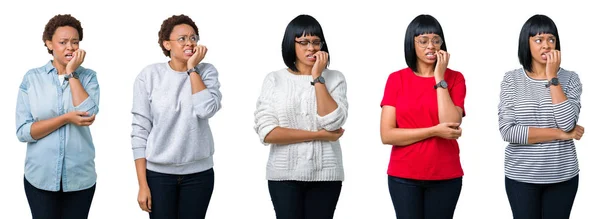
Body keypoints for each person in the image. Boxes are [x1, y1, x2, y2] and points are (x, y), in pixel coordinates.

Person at [253, 14, 348, 219]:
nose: (311, 48)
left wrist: (317, 77)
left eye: (316, 42)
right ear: (291, 44)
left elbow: (332, 122)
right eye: (303, 42)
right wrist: (321, 136)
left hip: (326, 177)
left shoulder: (335, 78)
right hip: (284, 177)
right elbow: (267, 132)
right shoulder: (275, 79)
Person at [131, 14, 222, 219]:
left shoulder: (206, 72)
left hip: (199, 174)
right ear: (167, 44)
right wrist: (142, 184)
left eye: (193, 38)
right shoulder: (149, 75)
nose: (189, 43)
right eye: (182, 38)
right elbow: (139, 130)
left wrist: (192, 69)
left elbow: (206, 110)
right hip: (158, 175)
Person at [379, 14, 466, 219]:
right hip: (403, 176)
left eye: (436, 40)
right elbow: (387, 135)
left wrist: (439, 78)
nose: (431, 46)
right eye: (423, 40)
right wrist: (434, 131)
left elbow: (451, 122)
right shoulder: (396, 79)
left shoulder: (455, 78)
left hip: (446, 174)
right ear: (412, 43)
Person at [498, 14, 584, 219]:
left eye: (551, 39)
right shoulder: (512, 79)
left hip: (562, 176)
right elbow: (508, 131)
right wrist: (561, 135)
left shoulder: (570, 78)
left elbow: (567, 123)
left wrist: (552, 77)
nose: (546, 45)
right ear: (526, 44)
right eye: (538, 40)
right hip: (521, 176)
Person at [16, 14, 99, 219]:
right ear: (49, 44)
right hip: (40, 178)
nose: (70, 47)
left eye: (75, 42)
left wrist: (71, 74)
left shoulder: (88, 77)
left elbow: (88, 114)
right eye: (63, 42)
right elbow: (23, 131)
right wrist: (66, 118)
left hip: (80, 178)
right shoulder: (32, 79)